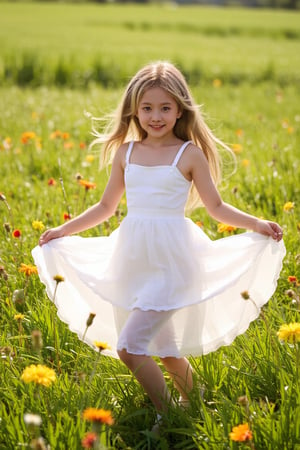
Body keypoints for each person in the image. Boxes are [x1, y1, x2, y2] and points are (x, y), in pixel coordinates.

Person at [33, 61, 285, 426]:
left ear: (180, 109)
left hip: (172, 262)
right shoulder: (127, 153)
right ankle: (194, 401)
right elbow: (106, 206)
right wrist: (62, 231)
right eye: (147, 108)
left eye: (165, 108)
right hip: (133, 261)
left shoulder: (189, 154)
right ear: (134, 110)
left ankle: (168, 414)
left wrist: (257, 223)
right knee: (166, 351)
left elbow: (216, 207)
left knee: (130, 347)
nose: (156, 116)